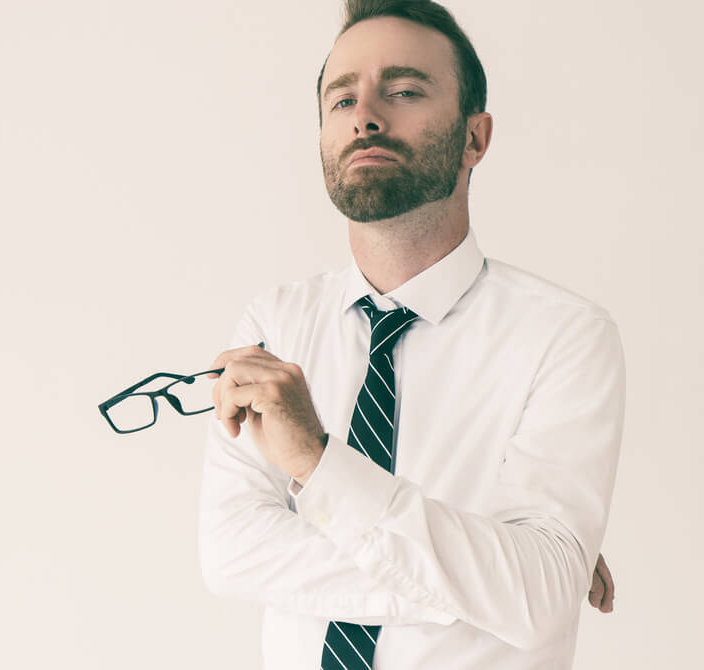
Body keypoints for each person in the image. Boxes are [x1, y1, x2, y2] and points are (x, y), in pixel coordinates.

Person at [198, 1, 625, 667]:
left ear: (474, 138)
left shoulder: (564, 337)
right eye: (342, 99)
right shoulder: (274, 326)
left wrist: (316, 461)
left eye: (403, 91)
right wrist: (484, 577)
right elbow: (230, 552)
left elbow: (536, 596)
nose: (366, 114)